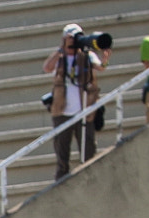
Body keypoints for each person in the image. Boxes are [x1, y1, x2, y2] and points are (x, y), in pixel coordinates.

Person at [43, 24, 106, 180]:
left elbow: (100, 68)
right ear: (64, 39)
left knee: (88, 150)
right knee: (62, 153)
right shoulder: (60, 57)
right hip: (61, 111)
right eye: (71, 37)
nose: (75, 41)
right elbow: (47, 68)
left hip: (85, 111)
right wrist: (61, 50)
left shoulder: (86, 55)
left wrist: (105, 59)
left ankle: (90, 180)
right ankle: (61, 183)